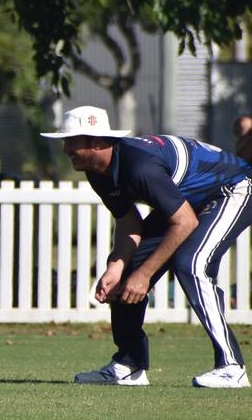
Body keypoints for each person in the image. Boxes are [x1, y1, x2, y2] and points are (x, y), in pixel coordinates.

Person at [41, 106, 252, 388]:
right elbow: (129, 223)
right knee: (126, 270)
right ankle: (129, 365)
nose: (66, 148)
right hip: (188, 200)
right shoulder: (96, 171)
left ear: (96, 142)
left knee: (191, 264)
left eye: (71, 141)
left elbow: (185, 223)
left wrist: (144, 276)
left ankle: (231, 367)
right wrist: (116, 268)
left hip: (233, 187)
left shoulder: (139, 166)